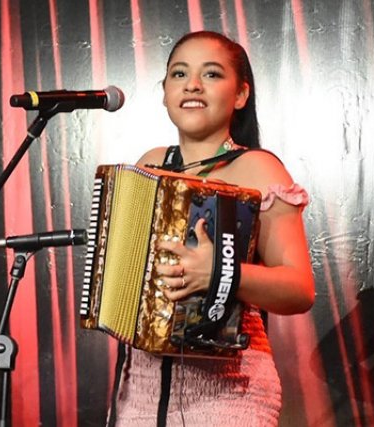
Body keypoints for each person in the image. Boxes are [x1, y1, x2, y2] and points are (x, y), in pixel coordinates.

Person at [107, 31, 315, 426]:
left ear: (241, 95)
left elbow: (299, 288)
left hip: (228, 392)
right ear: (164, 92)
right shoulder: (149, 164)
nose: (192, 85)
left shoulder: (258, 167)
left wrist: (220, 273)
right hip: (139, 394)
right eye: (179, 73)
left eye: (212, 74)